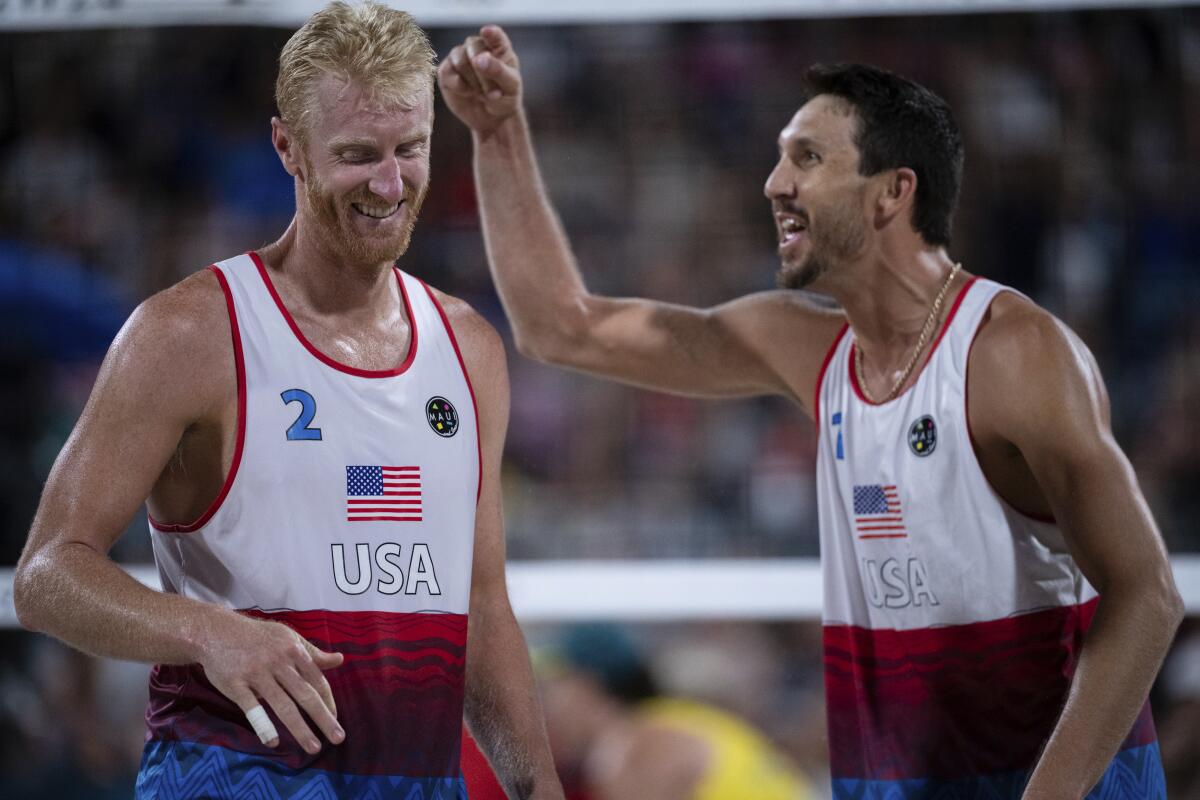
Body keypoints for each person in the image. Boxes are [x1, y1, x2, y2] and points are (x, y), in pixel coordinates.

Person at [438, 26, 1185, 800]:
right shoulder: (804, 344)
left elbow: (1147, 596)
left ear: (894, 191)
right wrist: (497, 132)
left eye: (807, 158)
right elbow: (561, 326)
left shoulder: (1014, 352)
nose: (772, 182)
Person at [13, 4, 563, 799]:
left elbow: (480, 603)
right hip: (231, 776)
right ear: (288, 149)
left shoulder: (470, 348)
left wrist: (539, 789)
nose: (388, 181)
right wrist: (208, 633)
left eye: (409, 149)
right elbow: (45, 575)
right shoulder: (189, 333)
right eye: (356, 155)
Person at [534, 624, 817, 800]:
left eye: (552, 688)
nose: (544, 705)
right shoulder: (669, 719)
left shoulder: (644, 746)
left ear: (591, 686)